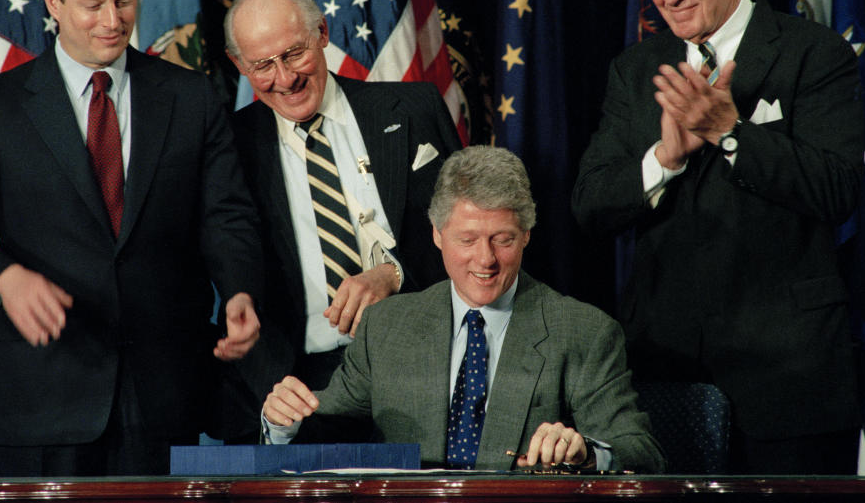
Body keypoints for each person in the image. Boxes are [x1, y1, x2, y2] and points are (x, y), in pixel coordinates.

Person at [0, 0, 263, 476]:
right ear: (54, 3)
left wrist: (241, 289)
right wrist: (5, 279)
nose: (112, 22)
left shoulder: (190, 96)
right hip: (42, 399)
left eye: (124, 2)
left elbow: (227, 215)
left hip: (167, 399)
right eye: (93, 4)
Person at [572, 0, 864, 474]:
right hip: (667, 370)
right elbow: (590, 206)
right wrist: (663, 158)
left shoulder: (814, 53)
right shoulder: (636, 70)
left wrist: (730, 131)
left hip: (789, 376)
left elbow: (838, 190)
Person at [263, 146, 665, 472]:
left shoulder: (582, 331)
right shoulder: (386, 326)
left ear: (526, 235)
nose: (485, 259)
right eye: (467, 240)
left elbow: (641, 452)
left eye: (502, 239)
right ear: (437, 235)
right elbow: (323, 425)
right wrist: (283, 421)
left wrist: (587, 452)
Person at [213, 0, 462, 442]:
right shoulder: (226, 146)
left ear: (323, 34)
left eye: (293, 54)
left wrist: (395, 273)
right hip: (299, 387)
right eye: (263, 66)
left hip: (423, 370)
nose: (284, 78)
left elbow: (469, 236)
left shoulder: (413, 108)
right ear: (239, 65)